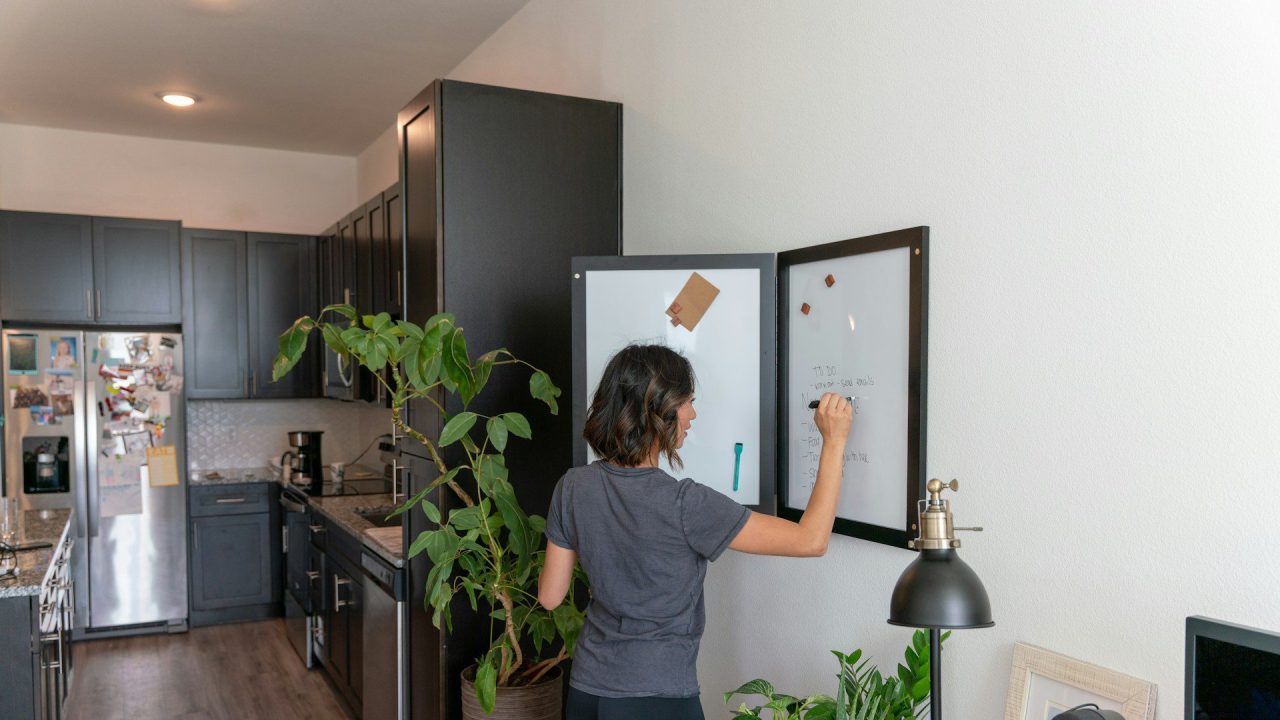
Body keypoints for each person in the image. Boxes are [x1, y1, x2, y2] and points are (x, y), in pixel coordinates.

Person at [539, 344, 853, 720]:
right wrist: (834, 442)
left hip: (587, 691)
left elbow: (550, 597)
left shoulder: (573, 486)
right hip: (659, 699)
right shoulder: (686, 504)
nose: (692, 414)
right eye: (687, 402)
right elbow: (811, 540)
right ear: (660, 410)